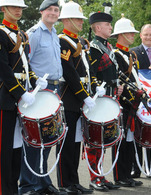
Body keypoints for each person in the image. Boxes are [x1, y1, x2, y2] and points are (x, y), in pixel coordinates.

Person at [0, 0, 44, 194]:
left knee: (16, 146)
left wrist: (35, 80)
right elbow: (3, 69)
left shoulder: (21, 34)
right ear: (4, 9)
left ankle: (13, 188)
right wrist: (20, 93)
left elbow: (25, 64)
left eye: (20, 7)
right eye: (14, 7)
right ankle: (4, 190)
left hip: (23, 97)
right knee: (4, 148)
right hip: (6, 98)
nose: (18, 10)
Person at [18, 0, 65, 194]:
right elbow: (24, 62)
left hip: (55, 89)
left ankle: (42, 181)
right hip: (39, 91)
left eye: (56, 10)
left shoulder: (55, 33)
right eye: (50, 10)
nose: (53, 13)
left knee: (49, 137)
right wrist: (32, 85)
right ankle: (28, 183)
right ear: (41, 12)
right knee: (34, 139)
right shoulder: (34, 34)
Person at [56, 1, 97, 193]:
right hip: (69, 96)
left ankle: (74, 181)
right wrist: (83, 95)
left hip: (80, 97)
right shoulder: (63, 41)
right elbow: (69, 72)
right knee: (67, 143)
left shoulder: (79, 42)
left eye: (81, 19)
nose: (81, 23)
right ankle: (65, 183)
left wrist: (92, 91)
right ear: (67, 20)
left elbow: (86, 70)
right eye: (78, 19)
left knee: (76, 142)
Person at [86, 11, 122, 192]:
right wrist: (97, 89)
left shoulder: (107, 45)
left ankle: (100, 175)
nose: (110, 27)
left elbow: (111, 73)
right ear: (98, 27)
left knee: (104, 138)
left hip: (110, 96)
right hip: (97, 97)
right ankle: (94, 177)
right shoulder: (93, 48)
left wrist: (118, 86)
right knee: (95, 139)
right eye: (108, 25)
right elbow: (91, 73)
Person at [110, 14, 143, 187]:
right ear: (121, 35)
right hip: (123, 102)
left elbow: (134, 80)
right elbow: (120, 81)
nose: (133, 36)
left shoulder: (130, 54)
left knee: (129, 140)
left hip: (133, 103)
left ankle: (127, 174)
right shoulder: (115, 54)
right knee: (121, 140)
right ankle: (119, 175)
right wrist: (132, 99)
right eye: (130, 33)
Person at [130, 24, 151, 179]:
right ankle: (136, 168)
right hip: (139, 98)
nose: (148, 37)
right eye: (146, 35)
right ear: (141, 36)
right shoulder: (133, 53)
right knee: (137, 132)